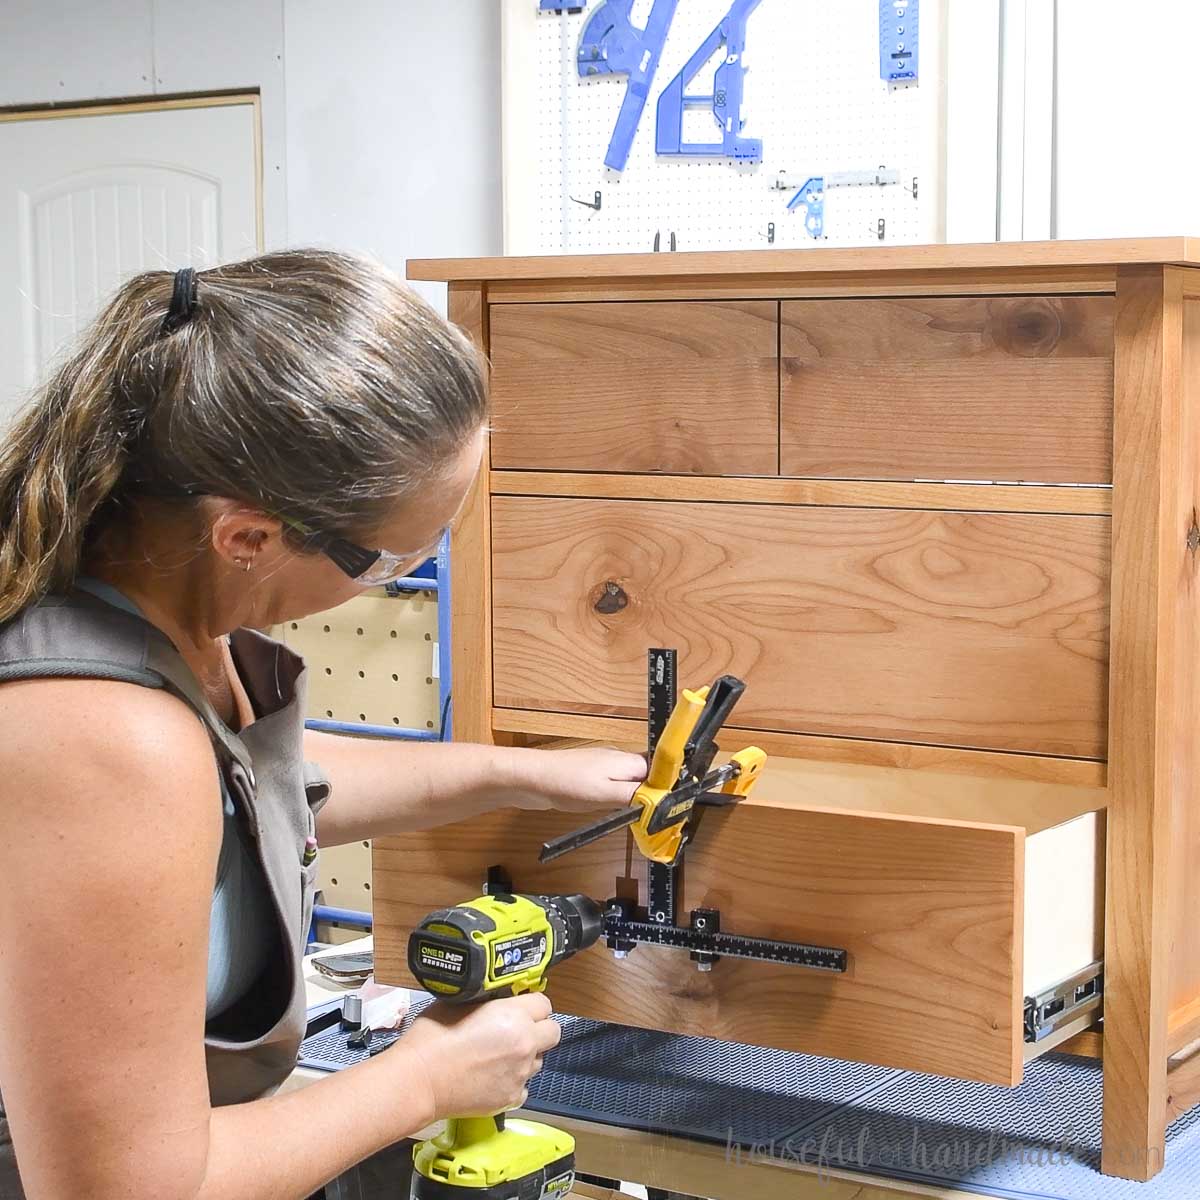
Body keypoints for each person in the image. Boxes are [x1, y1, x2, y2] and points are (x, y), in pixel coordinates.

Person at [0, 251, 647, 1199]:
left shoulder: (153, 609)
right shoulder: (100, 737)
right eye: (387, 562)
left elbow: (252, 791)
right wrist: (422, 1079)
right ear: (248, 537)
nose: (394, 579)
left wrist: (521, 777)